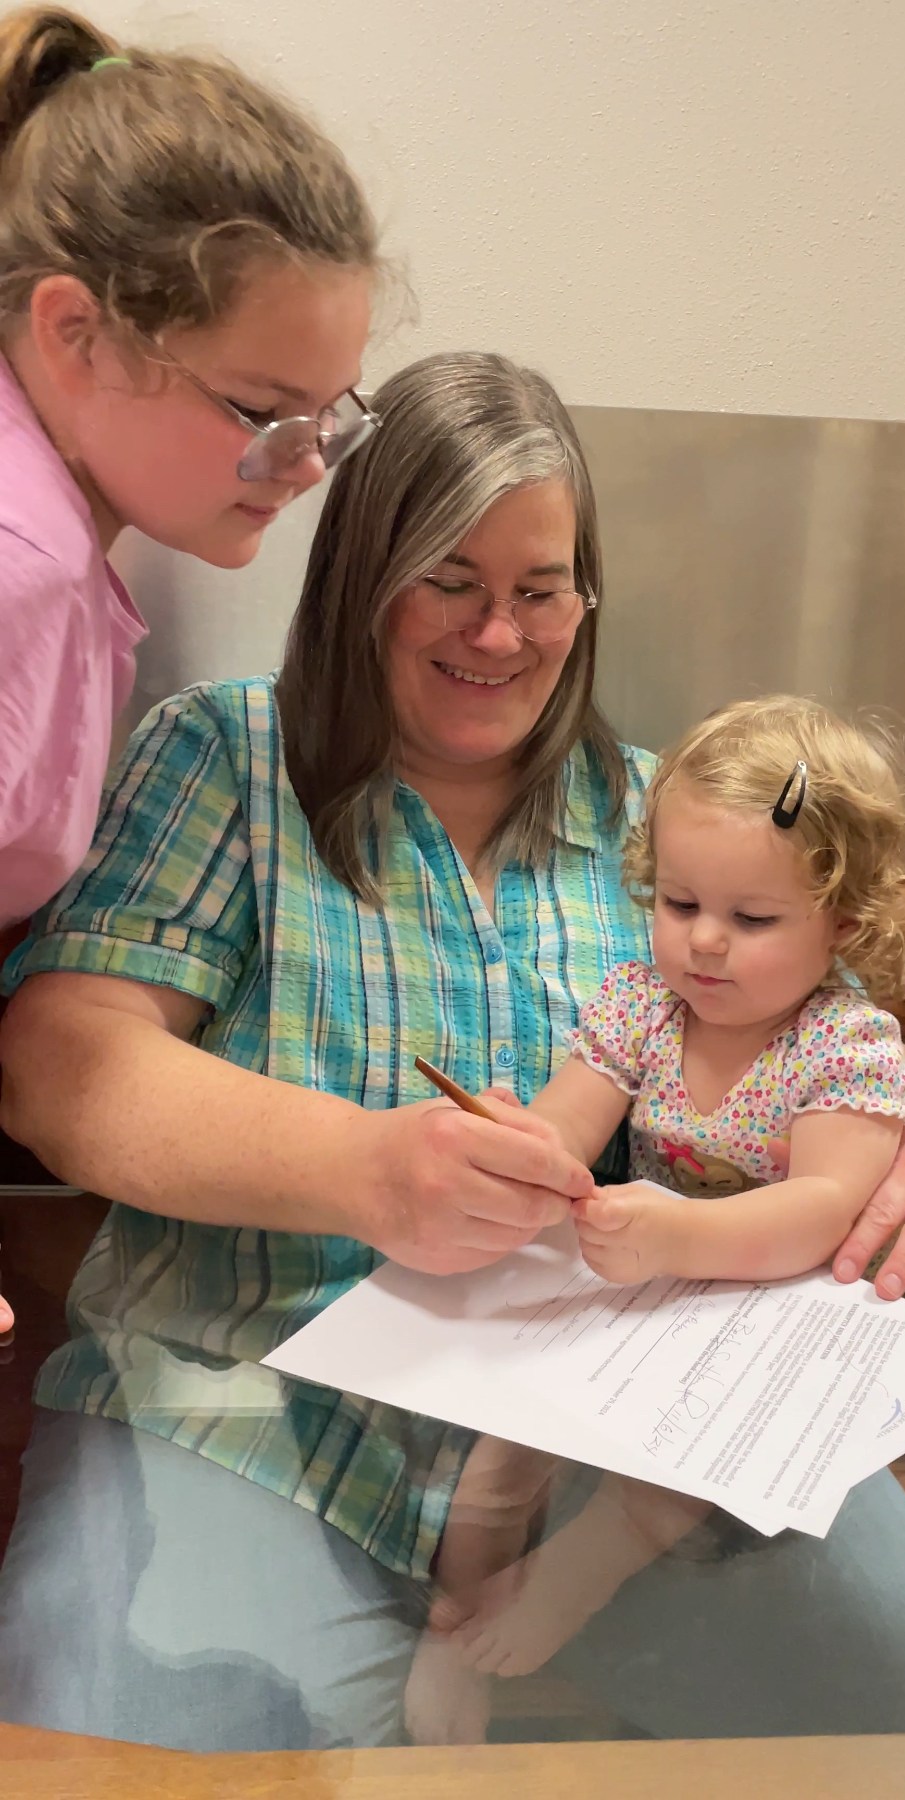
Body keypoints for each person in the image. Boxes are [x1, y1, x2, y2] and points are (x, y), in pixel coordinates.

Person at [0, 352, 905, 1752]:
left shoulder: (671, 814)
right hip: (242, 1397)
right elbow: (61, 1061)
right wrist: (364, 1169)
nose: (499, 634)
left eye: (541, 590)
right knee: (113, 1742)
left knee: (898, 1689)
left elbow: (829, 1044)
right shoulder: (227, 758)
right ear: (362, 578)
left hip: (613, 1430)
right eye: (449, 580)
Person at [404, 693, 905, 1741]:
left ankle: (573, 1583)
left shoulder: (844, 1045)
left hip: (777, 1324)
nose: (703, 942)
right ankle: (454, 1629)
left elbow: (824, 1209)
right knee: (495, 1466)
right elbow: (570, 1123)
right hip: (644, 1297)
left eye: (752, 919)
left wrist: (675, 1236)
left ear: (844, 921)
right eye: (679, 901)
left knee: (663, 1484)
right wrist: (523, 1144)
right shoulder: (645, 1005)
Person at [0, 5, 381, 1334]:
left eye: (332, 416)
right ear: (74, 332)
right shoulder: (19, 568)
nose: (305, 465)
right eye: (264, 414)